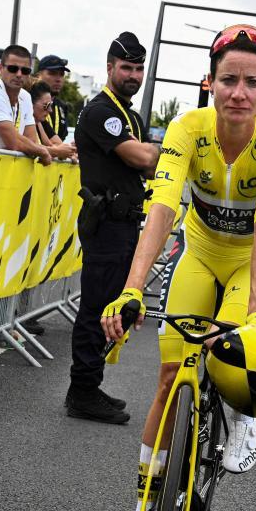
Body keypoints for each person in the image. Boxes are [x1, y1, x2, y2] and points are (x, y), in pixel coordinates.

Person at [101, 24, 256, 511]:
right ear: (209, 82)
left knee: (233, 354)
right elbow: (162, 209)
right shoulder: (187, 127)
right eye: (228, 79)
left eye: (252, 82)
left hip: (251, 260)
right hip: (201, 251)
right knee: (169, 378)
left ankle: (243, 412)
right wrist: (131, 290)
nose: (239, 93)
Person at [64, 31, 159, 424]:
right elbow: (140, 156)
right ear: (109, 67)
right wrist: (154, 154)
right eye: (126, 67)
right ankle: (82, 391)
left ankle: (90, 383)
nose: (133, 74)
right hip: (106, 224)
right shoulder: (101, 111)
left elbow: (149, 162)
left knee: (111, 307)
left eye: (139, 68)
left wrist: (151, 157)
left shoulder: (129, 114)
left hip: (124, 223)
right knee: (95, 309)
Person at [29, 80, 76, 160]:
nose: (50, 110)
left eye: (50, 105)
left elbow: (50, 144)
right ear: (30, 103)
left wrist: (69, 153)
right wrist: (58, 151)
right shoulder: (29, 119)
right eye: (46, 105)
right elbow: (31, 147)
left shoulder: (38, 122)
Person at [35, 53, 73, 146]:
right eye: (52, 73)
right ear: (38, 75)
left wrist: (69, 149)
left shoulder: (62, 107)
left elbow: (58, 141)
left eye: (61, 74)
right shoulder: (27, 101)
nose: (58, 79)